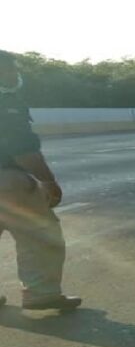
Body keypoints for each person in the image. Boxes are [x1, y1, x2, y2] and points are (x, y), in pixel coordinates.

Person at [0, 50, 81, 310]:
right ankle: (41, 292)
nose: (15, 73)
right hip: (7, 181)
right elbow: (20, 147)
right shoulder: (7, 102)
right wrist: (48, 181)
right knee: (40, 234)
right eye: (10, 68)